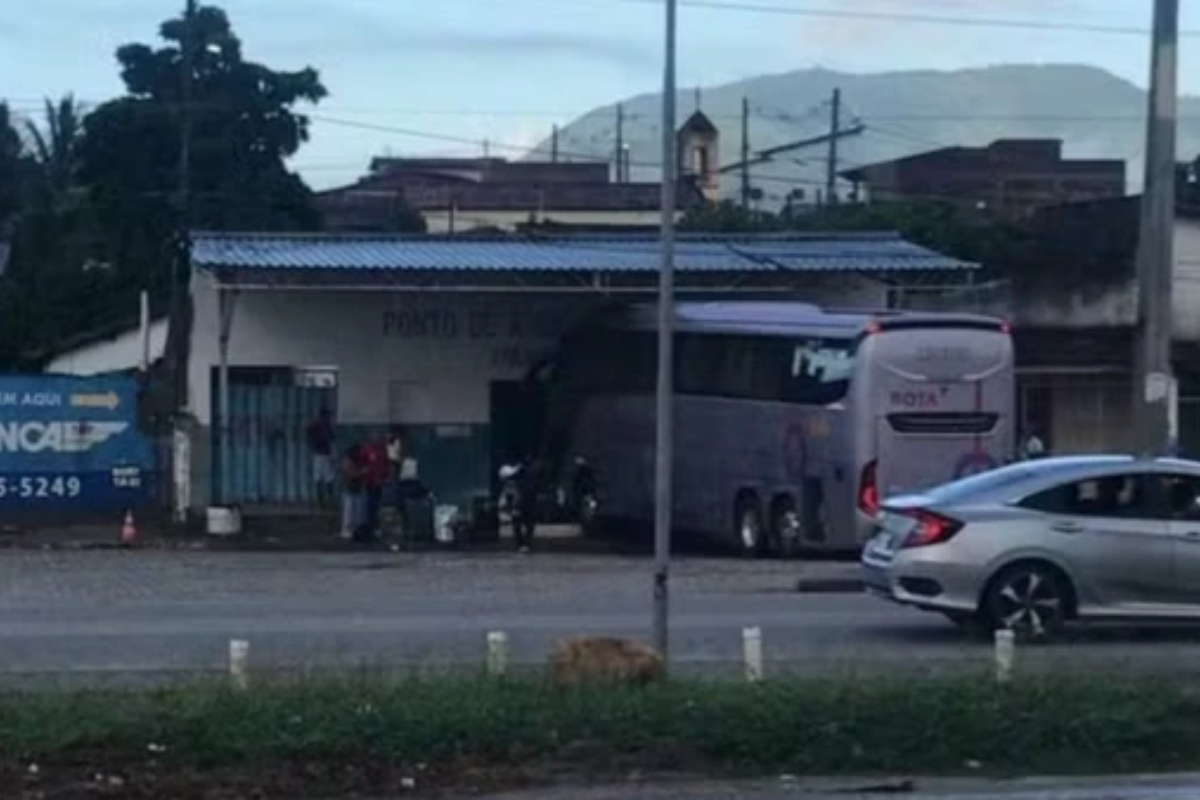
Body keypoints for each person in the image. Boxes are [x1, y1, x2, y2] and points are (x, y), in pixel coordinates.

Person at [361, 432, 391, 541]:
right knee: (371, 506)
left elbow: (386, 465)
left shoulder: (383, 450)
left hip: (380, 482)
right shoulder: (368, 450)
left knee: (378, 505)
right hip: (371, 482)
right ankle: (371, 527)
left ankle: (377, 527)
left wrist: (386, 476)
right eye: (375, 438)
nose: (377, 440)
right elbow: (363, 462)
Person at [306, 407, 336, 510]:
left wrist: (313, 446)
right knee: (329, 477)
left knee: (319, 478)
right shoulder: (325, 424)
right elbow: (331, 437)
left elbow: (309, 435)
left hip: (317, 454)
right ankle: (328, 501)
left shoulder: (314, 424)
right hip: (325, 453)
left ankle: (321, 502)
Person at [340, 442, 367, 541]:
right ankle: (347, 530)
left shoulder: (360, 460)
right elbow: (351, 475)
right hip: (349, 488)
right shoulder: (348, 460)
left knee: (358, 511)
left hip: (358, 488)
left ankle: (357, 530)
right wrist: (362, 472)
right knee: (349, 510)